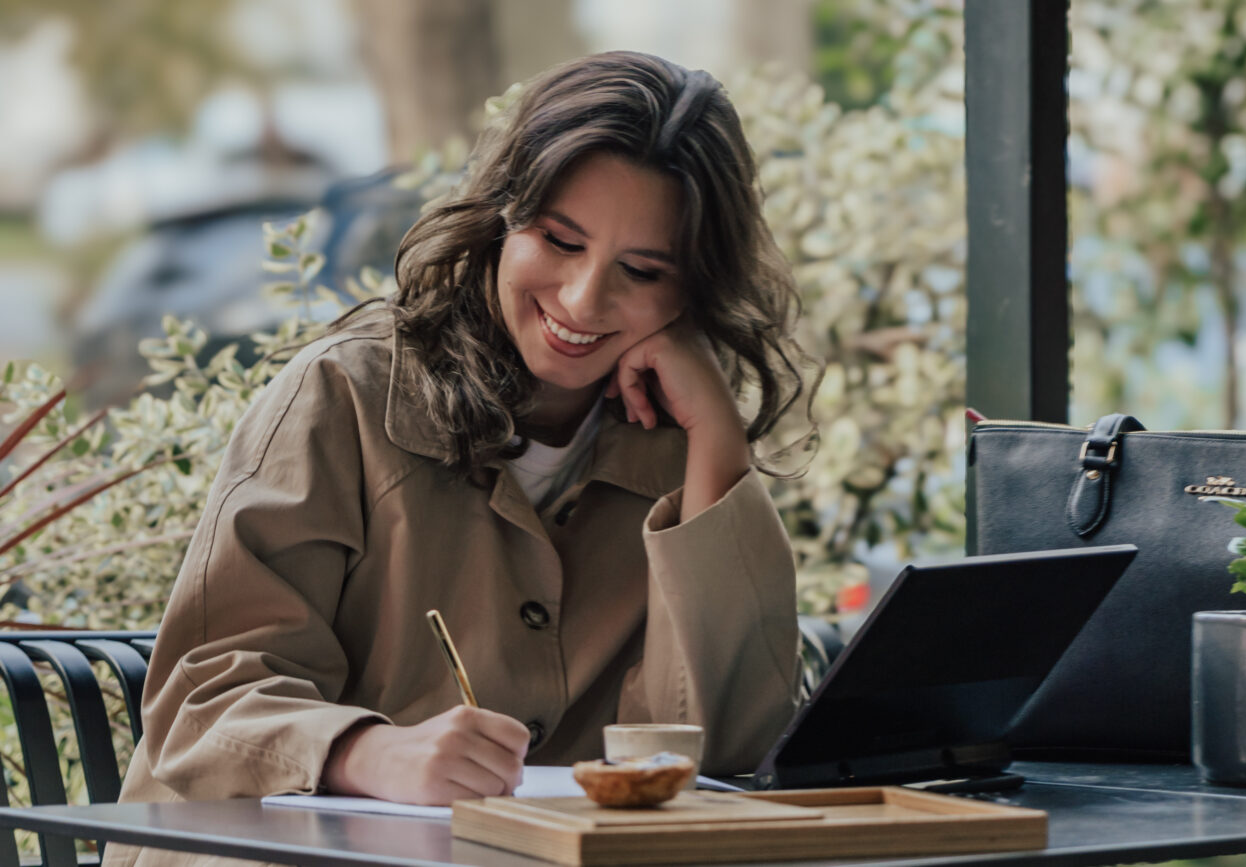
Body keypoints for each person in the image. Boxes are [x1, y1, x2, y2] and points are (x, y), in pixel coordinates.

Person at [106, 50, 818, 867]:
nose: (584, 300)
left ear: (691, 288)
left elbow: (721, 749)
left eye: (643, 270)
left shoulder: (676, 450)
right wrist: (367, 753)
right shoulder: (344, 393)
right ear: (502, 219)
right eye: (560, 239)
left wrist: (718, 445)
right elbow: (203, 698)